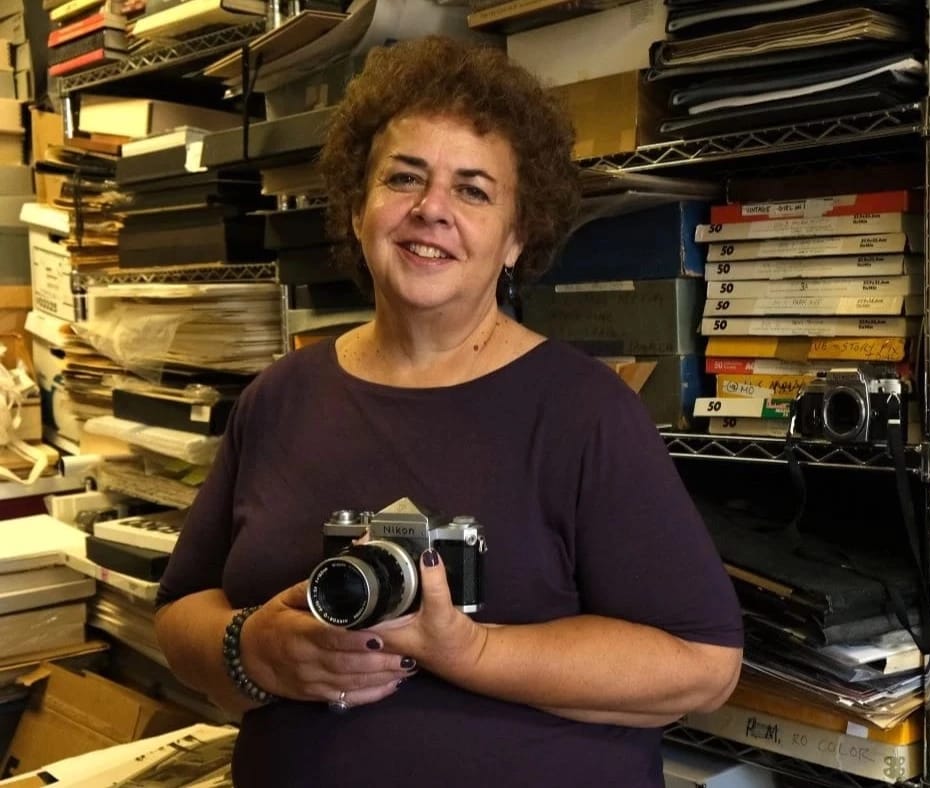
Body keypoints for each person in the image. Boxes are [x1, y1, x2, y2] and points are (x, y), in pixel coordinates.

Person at [153, 37, 743, 787]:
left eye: (473, 190)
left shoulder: (584, 412)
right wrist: (251, 649)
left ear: (515, 237)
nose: (431, 210)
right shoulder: (280, 398)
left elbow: (701, 669)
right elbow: (179, 613)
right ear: (359, 208)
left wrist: (469, 649)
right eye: (404, 178)